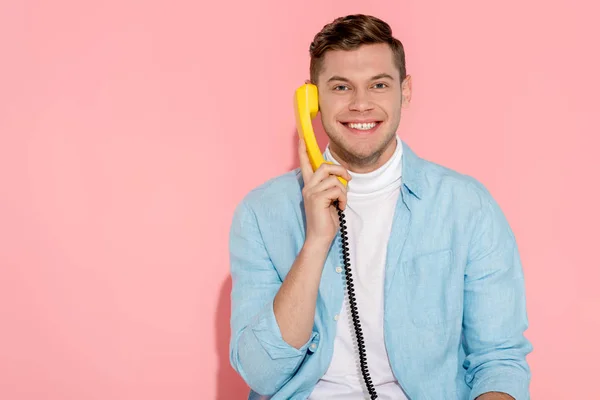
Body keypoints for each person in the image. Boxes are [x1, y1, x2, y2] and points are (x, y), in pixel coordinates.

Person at [228, 14, 532, 400]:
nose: (360, 104)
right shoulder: (259, 213)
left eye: (379, 85)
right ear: (312, 98)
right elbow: (261, 373)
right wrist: (317, 241)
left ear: (404, 92)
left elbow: (498, 361)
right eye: (341, 87)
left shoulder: (467, 207)